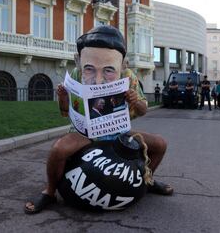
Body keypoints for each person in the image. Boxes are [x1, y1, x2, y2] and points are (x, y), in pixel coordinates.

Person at [24, 25, 173, 214]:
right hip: (85, 133)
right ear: (79, 62)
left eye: (109, 70)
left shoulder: (129, 77)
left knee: (159, 144)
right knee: (58, 150)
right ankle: (50, 191)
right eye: (90, 69)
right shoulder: (76, 76)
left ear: (123, 65)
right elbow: (64, 112)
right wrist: (63, 98)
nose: (98, 79)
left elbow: (143, 110)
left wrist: (136, 101)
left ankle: (147, 180)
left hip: (118, 132)